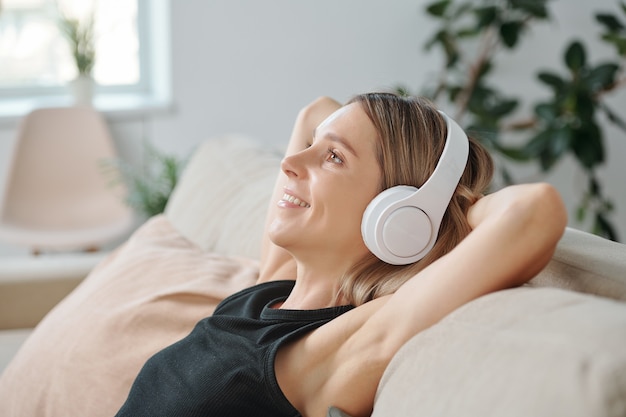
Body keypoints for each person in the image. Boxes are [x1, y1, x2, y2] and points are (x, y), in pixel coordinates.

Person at [115, 92, 567, 417]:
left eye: (332, 157)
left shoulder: (320, 354)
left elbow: (533, 212)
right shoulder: (268, 292)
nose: (290, 164)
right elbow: (317, 108)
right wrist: (338, 140)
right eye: (313, 146)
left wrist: (431, 209)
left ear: (393, 214)